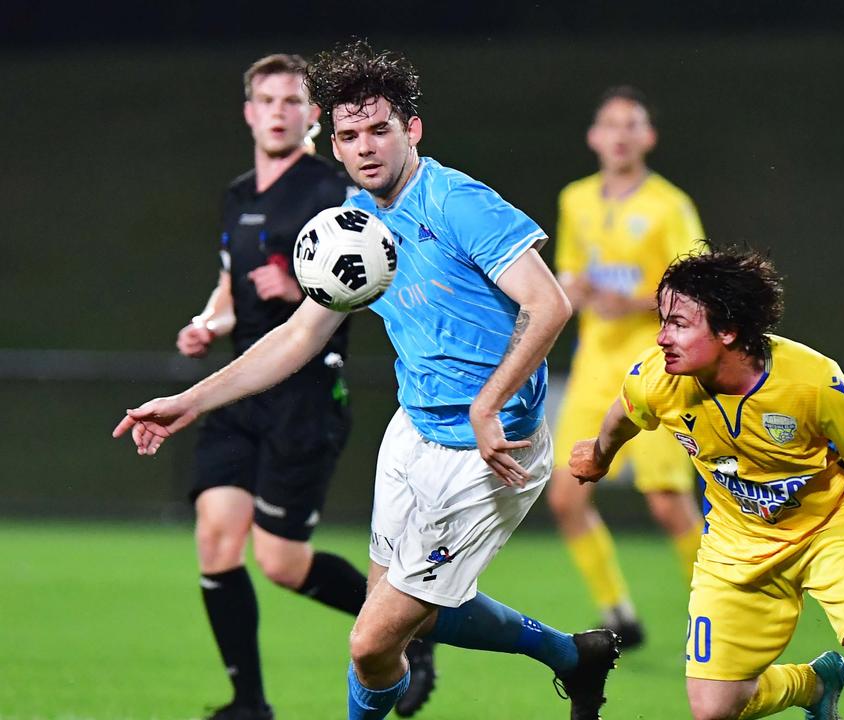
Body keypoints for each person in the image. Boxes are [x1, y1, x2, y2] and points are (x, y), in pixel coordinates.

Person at [115, 41, 619, 720]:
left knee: (369, 641)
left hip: (490, 451)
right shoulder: (355, 224)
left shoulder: (457, 202)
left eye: (380, 129)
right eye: (349, 135)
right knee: (414, 618)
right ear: (336, 143)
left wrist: (488, 403)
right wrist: (189, 401)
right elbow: (297, 334)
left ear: (411, 129)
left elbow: (549, 303)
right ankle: (573, 656)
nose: (365, 147)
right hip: (413, 438)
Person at [169, 52, 434, 720]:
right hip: (240, 389)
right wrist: (208, 322)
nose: (280, 113)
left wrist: (306, 288)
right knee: (215, 537)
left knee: (283, 564)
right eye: (268, 100)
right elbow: (230, 288)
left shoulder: (332, 188)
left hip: (305, 392)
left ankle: (413, 633)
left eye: (293, 101)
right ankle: (249, 703)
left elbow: (377, 271)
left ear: (312, 118)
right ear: (249, 112)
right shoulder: (238, 195)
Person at [570, 249, 844, 720]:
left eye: (679, 323)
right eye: (662, 321)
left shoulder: (814, 383)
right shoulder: (658, 378)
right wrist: (600, 456)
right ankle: (814, 684)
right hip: (734, 544)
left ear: (728, 331)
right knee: (713, 710)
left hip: (831, 531)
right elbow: (624, 412)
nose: (662, 337)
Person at [548, 86, 706, 647]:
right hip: (594, 366)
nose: (619, 134)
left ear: (648, 138)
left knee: (668, 505)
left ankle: (716, 616)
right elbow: (568, 273)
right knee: (566, 495)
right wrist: (577, 289)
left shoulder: (670, 205)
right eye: (609, 124)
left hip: (660, 366)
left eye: (631, 125)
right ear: (594, 137)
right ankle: (617, 610)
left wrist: (637, 302)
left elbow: (695, 284)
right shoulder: (575, 199)